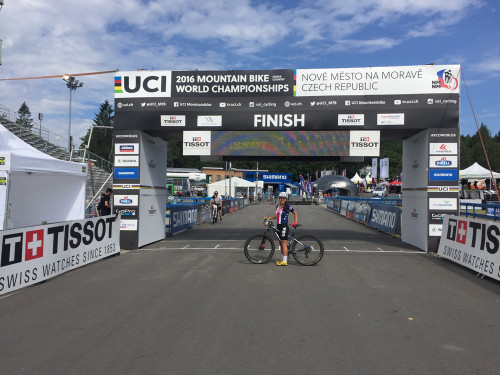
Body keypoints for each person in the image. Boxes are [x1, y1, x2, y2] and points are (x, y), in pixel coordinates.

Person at [265, 191, 298, 266]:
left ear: (286, 199)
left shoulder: (287, 207)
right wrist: (269, 218)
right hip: (278, 226)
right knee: (281, 243)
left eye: (284, 198)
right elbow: (277, 216)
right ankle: (283, 258)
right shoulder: (277, 206)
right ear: (279, 199)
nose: (282, 199)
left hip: (284, 226)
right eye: (281, 198)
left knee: (283, 243)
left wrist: (295, 222)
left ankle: (285, 261)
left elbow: (295, 213)